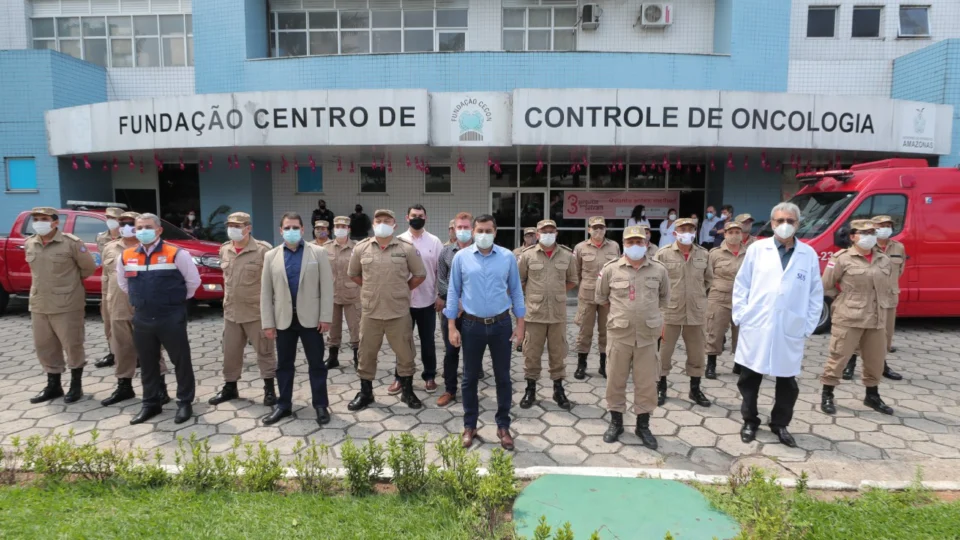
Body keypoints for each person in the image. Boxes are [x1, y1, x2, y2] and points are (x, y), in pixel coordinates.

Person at [733, 202, 823, 447]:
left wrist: (808, 325)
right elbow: (742, 284)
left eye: (790, 221)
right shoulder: (757, 249)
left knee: (787, 383)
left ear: (798, 224)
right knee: (749, 378)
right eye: (780, 220)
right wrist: (741, 315)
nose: (785, 225)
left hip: (790, 327)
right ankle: (750, 420)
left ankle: (780, 424)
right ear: (772, 223)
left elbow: (815, 293)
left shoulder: (808, 254)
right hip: (757, 324)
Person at [445, 214, 525, 450]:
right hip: (472, 326)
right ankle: (470, 425)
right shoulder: (461, 258)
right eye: (479, 230)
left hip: (501, 325)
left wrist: (521, 324)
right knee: (469, 378)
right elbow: (453, 292)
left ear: (495, 232)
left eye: (488, 231)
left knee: (503, 378)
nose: (483, 235)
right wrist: (451, 326)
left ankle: (503, 425)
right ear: (473, 232)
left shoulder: (507, 257)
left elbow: (516, 291)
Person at [119, 213, 201, 425]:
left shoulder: (176, 253)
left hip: (170, 315)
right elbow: (124, 284)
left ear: (159, 230)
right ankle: (151, 403)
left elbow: (193, 282)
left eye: (147, 227)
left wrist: (173, 301)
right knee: (147, 363)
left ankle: (184, 402)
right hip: (143, 316)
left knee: (180, 360)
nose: (142, 231)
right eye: (139, 228)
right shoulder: (126, 255)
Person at [596, 226, 670, 448]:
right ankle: (616, 422)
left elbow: (664, 298)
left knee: (646, 383)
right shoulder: (610, 269)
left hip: (647, 336)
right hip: (619, 334)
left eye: (639, 242)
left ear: (646, 243)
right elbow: (601, 298)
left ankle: (642, 425)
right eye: (630, 242)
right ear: (623, 244)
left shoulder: (659, 270)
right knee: (615, 380)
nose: (635, 246)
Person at [346, 209, 427, 411]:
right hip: (370, 312)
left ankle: (407, 391)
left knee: (405, 353)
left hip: (398, 312)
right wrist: (371, 288)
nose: (383, 223)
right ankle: (366, 393)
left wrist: (401, 289)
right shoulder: (361, 248)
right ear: (373, 224)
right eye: (379, 220)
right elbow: (353, 274)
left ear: (394, 225)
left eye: (387, 221)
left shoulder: (406, 248)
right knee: (366, 353)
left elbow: (420, 274)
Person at [260, 212, 334, 426]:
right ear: (281, 230)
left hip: (311, 320)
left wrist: (326, 317)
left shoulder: (318, 253)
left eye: (295, 227)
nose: (291, 231)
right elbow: (265, 292)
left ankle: (320, 405)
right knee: (284, 365)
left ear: (302, 230)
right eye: (287, 228)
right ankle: (283, 405)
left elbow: (327, 288)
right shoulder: (271, 256)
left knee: (317, 364)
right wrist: (267, 322)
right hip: (283, 320)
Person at [819, 219, 895, 418]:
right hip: (849, 317)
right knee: (839, 357)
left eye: (872, 232)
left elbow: (887, 285)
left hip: (876, 318)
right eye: (864, 233)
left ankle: (872, 395)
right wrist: (843, 299)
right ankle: (827, 394)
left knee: (875, 359)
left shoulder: (883, 259)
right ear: (853, 236)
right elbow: (826, 285)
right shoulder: (841, 258)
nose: (869, 236)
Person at [25, 207, 97, 404]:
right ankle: (53, 385)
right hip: (39, 303)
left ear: (55, 222)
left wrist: (68, 285)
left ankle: (76, 385)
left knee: (72, 344)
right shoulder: (30, 243)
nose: (39, 222)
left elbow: (88, 268)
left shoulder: (71, 243)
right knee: (44, 346)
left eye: (44, 219)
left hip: (67, 303)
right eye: (36, 219)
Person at [100, 211, 171, 407]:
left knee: (151, 349)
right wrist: (106, 305)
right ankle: (124, 386)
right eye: (122, 223)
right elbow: (106, 279)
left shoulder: (150, 248)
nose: (126, 227)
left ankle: (159, 388)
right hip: (118, 306)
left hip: (146, 308)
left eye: (131, 223)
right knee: (121, 348)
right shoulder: (110, 248)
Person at [209, 212, 277, 408]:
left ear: (248, 228)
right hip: (231, 312)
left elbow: (274, 282)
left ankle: (269, 389)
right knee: (230, 352)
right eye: (230, 225)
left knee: (265, 352)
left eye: (238, 226)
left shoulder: (263, 250)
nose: (233, 229)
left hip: (256, 313)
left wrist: (272, 313)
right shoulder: (225, 249)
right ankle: (230, 387)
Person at [517, 219, 579, 411]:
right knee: (531, 353)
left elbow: (572, 280)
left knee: (558, 353)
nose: (548, 234)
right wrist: (534, 293)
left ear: (556, 233)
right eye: (544, 231)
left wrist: (556, 292)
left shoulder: (567, 255)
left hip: (557, 315)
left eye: (551, 231)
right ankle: (530, 389)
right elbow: (520, 280)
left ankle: (558, 389)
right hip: (534, 314)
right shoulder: (527, 255)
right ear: (537, 235)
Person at [654, 217, 713, 408]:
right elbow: (655, 282)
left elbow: (708, 280)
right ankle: (661, 387)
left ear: (695, 232)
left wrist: (696, 297)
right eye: (683, 229)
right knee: (663, 352)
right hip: (669, 312)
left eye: (690, 229)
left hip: (696, 313)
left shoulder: (704, 254)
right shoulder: (663, 254)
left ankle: (695, 389)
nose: (687, 232)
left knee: (697, 353)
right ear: (675, 233)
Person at [844, 216, 904, 381]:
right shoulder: (865, 246)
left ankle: (882, 365)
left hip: (888, 298)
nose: (885, 229)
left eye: (888, 225)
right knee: (858, 331)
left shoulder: (898, 247)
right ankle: (850, 364)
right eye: (881, 226)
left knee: (885, 334)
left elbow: (899, 270)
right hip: (865, 299)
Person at [393, 204, 444, 394]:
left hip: (427, 301)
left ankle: (429, 376)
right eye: (414, 215)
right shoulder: (398, 241)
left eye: (420, 215)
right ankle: (400, 377)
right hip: (403, 301)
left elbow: (441, 272)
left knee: (427, 341)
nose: (417, 218)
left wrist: (440, 295)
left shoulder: (434, 242)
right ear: (407, 218)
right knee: (402, 342)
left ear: (426, 218)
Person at [572, 216, 620, 379]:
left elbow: (618, 270)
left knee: (606, 331)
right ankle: (581, 365)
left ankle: (603, 365)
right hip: (587, 296)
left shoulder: (614, 246)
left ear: (606, 229)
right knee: (584, 331)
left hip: (608, 297)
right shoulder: (580, 247)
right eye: (595, 228)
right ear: (589, 230)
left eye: (601, 227)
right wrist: (584, 286)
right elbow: (576, 272)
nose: (598, 231)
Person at [435, 212, 474, 407]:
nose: (463, 231)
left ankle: (470, 390)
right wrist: (455, 302)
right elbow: (441, 280)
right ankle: (450, 389)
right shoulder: (446, 252)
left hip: (474, 312)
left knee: (472, 352)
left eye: (466, 227)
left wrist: (465, 304)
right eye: (460, 227)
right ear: (454, 229)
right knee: (451, 351)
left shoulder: (480, 251)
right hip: (452, 311)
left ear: (472, 229)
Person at [705, 222, 747, 380]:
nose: (734, 235)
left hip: (743, 299)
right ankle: (711, 364)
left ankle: (739, 364)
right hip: (719, 298)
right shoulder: (715, 253)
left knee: (742, 333)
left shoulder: (749, 253)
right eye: (731, 232)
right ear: (725, 234)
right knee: (714, 331)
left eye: (737, 232)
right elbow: (706, 276)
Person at [324, 216, 361, 371]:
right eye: (337, 226)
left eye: (343, 227)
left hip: (353, 294)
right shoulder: (325, 248)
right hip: (332, 294)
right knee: (333, 327)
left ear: (349, 229)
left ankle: (358, 358)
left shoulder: (357, 247)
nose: (340, 229)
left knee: (356, 327)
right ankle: (333, 358)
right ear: (333, 229)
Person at [95, 206, 124, 368]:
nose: (110, 221)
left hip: (124, 284)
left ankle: (136, 354)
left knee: (126, 320)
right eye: (108, 218)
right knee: (108, 319)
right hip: (107, 283)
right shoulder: (101, 238)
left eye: (114, 218)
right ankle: (113, 352)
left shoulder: (129, 237)